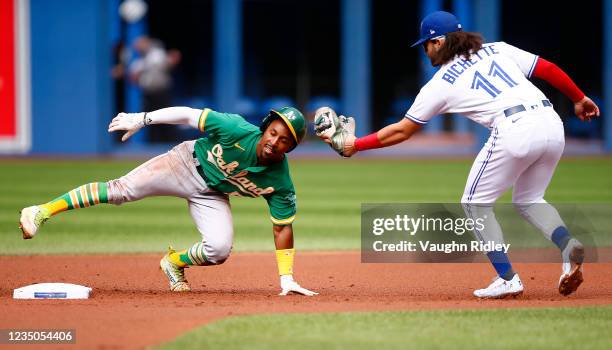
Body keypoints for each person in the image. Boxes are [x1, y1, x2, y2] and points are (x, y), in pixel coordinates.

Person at [317, 11, 600, 298]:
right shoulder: (498, 48)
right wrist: (578, 97)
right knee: (529, 199)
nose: (425, 51)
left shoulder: (440, 83)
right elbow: (547, 69)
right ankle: (567, 246)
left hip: (514, 128)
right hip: (552, 123)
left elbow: (402, 131)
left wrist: (356, 145)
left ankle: (508, 278)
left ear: (439, 42)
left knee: (474, 204)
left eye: (426, 44)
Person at [19, 106, 318, 296]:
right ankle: (42, 211)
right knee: (119, 190)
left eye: (284, 141)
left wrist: (286, 278)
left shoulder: (280, 181)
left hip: (212, 194)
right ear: (265, 128)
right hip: (184, 163)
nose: (274, 142)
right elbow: (189, 115)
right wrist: (143, 119)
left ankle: (173, 263)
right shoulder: (236, 129)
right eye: (273, 132)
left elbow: (282, 228)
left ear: (290, 148)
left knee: (219, 249)